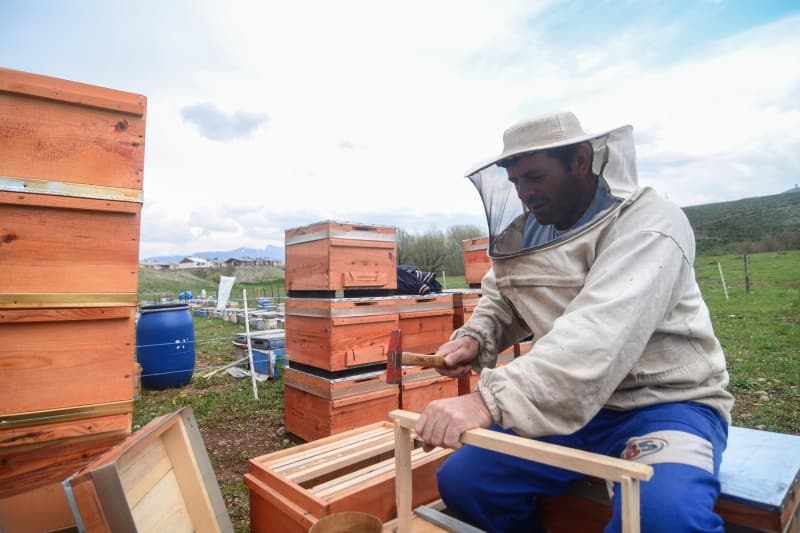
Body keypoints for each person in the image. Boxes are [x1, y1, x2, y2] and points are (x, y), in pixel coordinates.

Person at [415, 111, 734, 532]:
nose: (525, 193)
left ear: (580, 160)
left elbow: (598, 335)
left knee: (662, 521)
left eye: (535, 177)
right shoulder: (530, 231)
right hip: (570, 404)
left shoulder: (650, 222)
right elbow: (503, 295)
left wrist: (485, 402)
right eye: (515, 182)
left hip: (664, 402)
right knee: (467, 481)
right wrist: (476, 337)